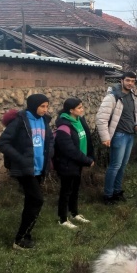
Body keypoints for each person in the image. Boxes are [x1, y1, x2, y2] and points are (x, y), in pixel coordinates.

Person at [0, 94, 54, 250]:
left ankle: (25, 236)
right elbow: (3, 143)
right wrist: (20, 159)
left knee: (31, 201)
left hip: (39, 168)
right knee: (37, 200)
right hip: (25, 169)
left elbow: (50, 139)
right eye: (42, 106)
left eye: (47, 106)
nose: (45, 109)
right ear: (33, 105)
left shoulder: (44, 120)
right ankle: (20, 238)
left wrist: (50, 154)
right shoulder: (20, 121)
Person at [96, 72, 137, 205]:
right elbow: (101, 118)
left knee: (122, 166)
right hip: (118, 135)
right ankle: (108, 195)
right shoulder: (113, 97)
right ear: (121, 80)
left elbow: (136, 113)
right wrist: (105, 137)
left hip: (130, 135)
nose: (130, 83)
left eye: (133, 81)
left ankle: (117, 192)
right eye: (128, 80)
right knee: (115, 166)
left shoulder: (132, 96)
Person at [53, 97, 95, 229]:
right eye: (79, 108)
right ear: (71, 110)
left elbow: (86, 138)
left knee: (75, 189)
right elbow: (69, 149)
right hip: (67, 163)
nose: (82, 109)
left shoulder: (79, 120)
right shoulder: (64, 126)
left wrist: (89, 156)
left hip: (78, 162)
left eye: (82, 106)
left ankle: (74, 213)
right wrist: (86, 160)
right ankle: (62, 219)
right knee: (66, 191)